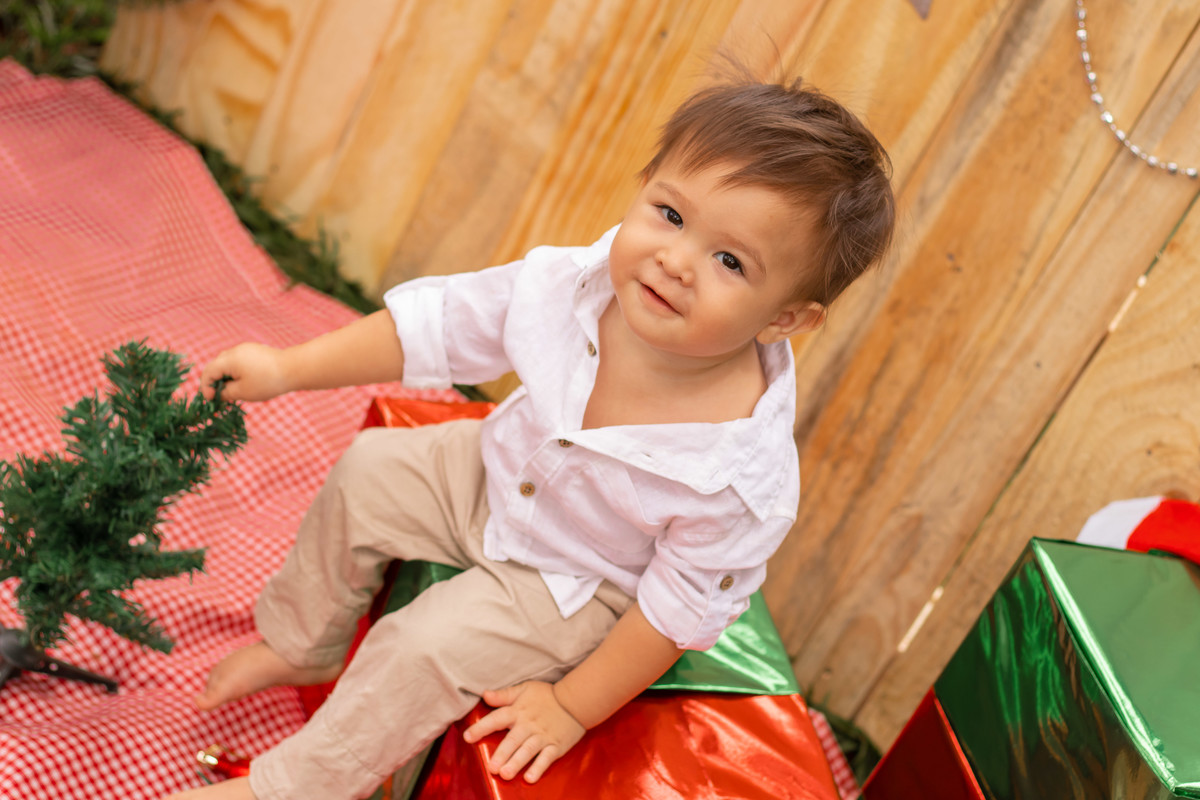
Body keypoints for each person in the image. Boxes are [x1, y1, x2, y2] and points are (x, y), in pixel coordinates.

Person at [168, 75, 895, 800]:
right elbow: (441, 326)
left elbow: (672, 612)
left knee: (424, 646)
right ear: (643, 186)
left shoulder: (738, 476)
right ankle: (305, 644)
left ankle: (293, 788)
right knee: (369, 470)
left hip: (578, 583)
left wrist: (572, 706)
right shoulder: (575, 284)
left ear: (785, 320)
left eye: (729, 261)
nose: (676, 260)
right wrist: (286, 368)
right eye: (670, 214)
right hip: (497, 472)